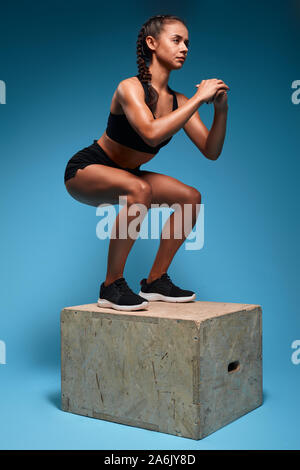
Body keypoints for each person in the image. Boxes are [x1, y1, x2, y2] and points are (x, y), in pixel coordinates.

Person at [64, 14, 229, 312]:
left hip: (130, 174)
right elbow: (151, 134)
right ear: (152, 43)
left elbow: (211, 150)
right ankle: (110, 285)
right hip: (86, 170)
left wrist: (220, 109)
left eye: (187, 43)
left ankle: (155, 280)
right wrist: (197, 99)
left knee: (190, 197)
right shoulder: (130, 88)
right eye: (176, 40)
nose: (185, 48)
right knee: (139, 189)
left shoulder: (178, 100)